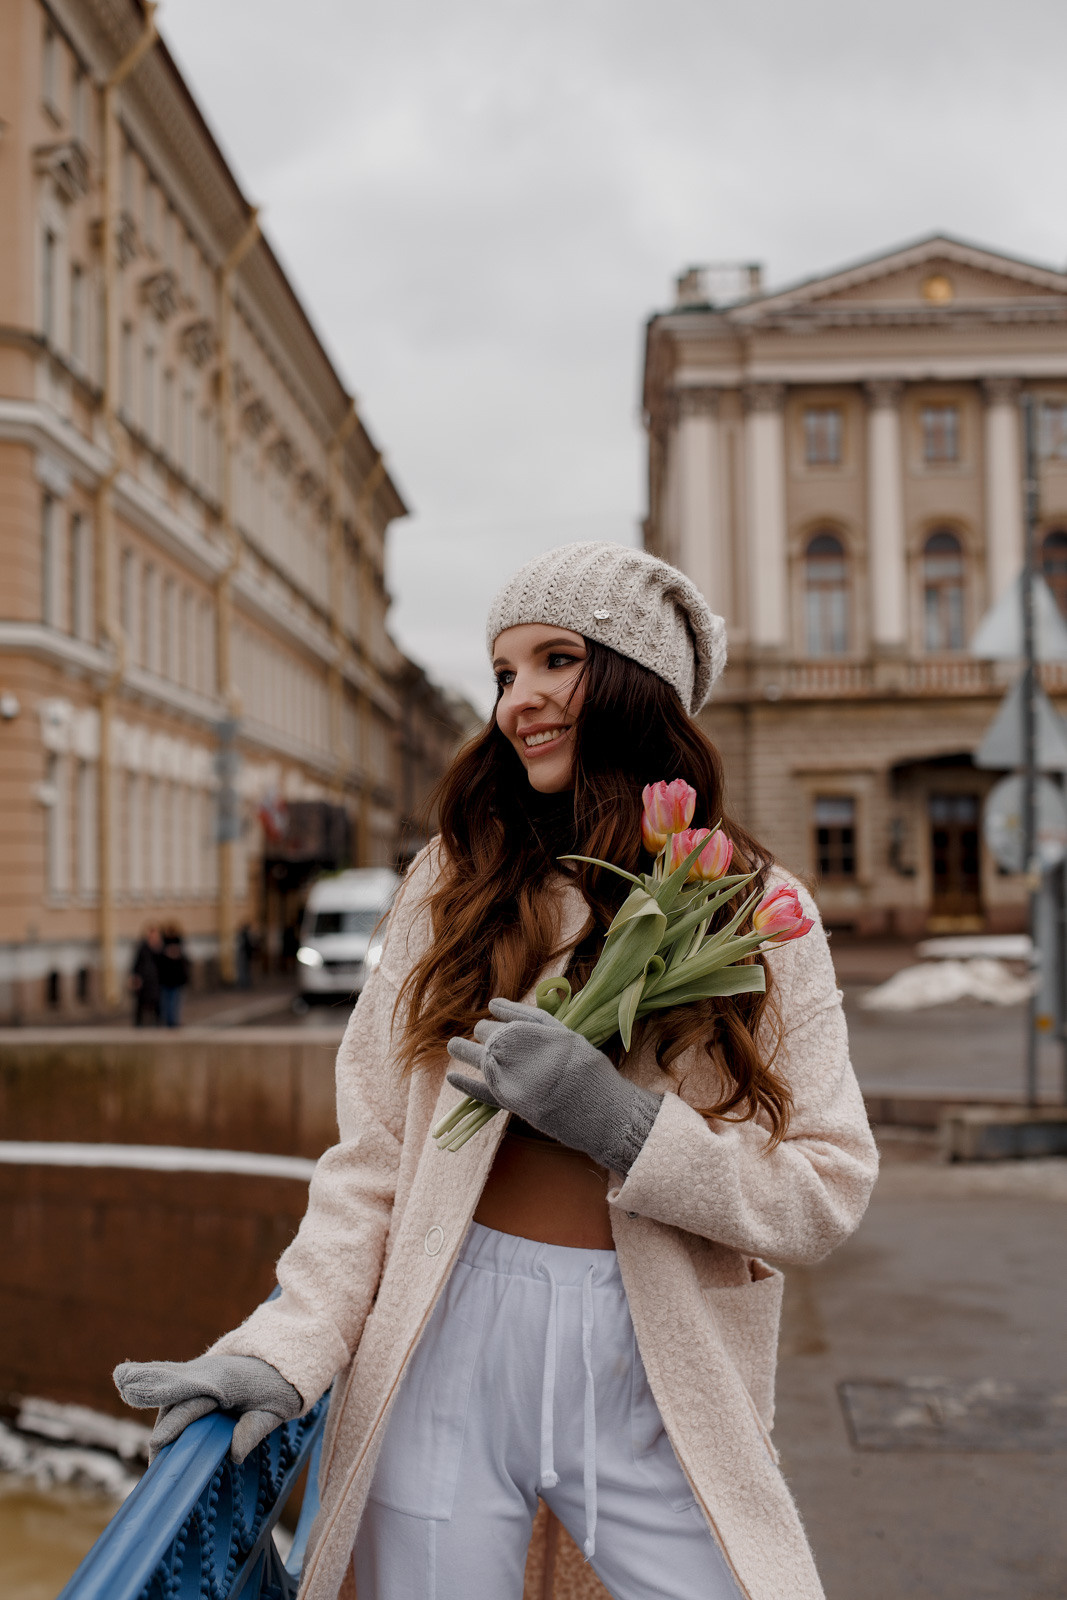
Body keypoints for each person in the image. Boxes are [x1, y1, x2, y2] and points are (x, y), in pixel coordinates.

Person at [115, 543, 878, 1600]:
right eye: (504, 673)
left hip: (652, 1360)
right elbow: (372, 1155)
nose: (521, 699)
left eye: (555, 659)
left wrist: (620, 1125)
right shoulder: (453, 880)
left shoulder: (749, 900)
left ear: (630, 678)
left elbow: (826, 1185)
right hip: (443, 1339)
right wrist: (287, 1346)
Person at [128, 925, 162, 1027]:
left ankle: (157, 1023)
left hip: (156, 980)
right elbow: (136, 963)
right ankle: (139, 1024)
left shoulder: (159, 948)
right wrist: (135, 976)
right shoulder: (142, 947)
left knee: (156, 1003)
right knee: (141, 1003)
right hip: (144, 980)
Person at [157, 924, 190, 1029]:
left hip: (175, 979)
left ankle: (173, 1021)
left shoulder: (177, 944)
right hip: (167, 979)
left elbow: (184, 963)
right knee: (169, 1002)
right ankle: (170, 1021)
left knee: (174, 1002)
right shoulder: (163, 945)